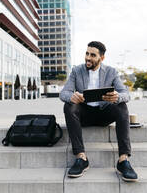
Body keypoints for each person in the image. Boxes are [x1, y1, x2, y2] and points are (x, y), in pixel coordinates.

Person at [59, 41, 138, 182]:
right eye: (87, 53)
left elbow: (126, 94)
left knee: (122, 106)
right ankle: (81, 158)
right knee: (68, 105)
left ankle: (123, 160)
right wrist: (72, 96)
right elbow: (63, 93)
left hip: (104, 114)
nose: (88, 57)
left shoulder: (111, 72)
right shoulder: (77, 71)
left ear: (101, 58)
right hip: (84, 114)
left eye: (93, 55)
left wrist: (117, 96)